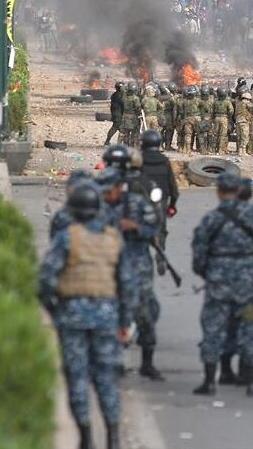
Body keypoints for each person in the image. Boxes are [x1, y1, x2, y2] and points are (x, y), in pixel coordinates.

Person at [38, 182, 136, 449]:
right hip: (107, 317)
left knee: (77, 376)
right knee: (106, 376)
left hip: (72, 318)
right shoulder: (113, 240)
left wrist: (53, 309)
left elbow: (46, 279)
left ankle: (86, 437)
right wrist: (125, 319)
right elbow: (127, 283)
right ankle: (114, 437)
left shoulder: (67, 238)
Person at [191, 173, 253, 397]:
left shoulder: (212, 219)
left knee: (213, 328)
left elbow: (198, 255)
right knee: (249, 327)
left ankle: (209, 381)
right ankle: (251, 382)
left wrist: (209, 271)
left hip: (218, 279)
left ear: (219, 192)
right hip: (247, 278)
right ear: (240, 191)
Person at [106, 152, 163, 381]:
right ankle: (114, 362)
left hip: (137, 260)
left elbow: (153, 227)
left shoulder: (139, 199)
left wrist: (136, 228)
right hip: (108, 261)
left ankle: (147, 363)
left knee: (145, 312)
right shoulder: (98, 201)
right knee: (111, 313)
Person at [140, 130, 179, 251]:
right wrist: (172, 205)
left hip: (142, 198)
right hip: (161, 199)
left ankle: (143, 251)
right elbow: (173, 187)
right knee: (161, 228)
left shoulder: (138, 161)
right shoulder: (164, 161)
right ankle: (160, 250)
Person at [104, 82, 125, 146]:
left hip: (115, 114)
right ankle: (107, 142)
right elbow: (123, 104)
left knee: (118, 128)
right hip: (118, 115)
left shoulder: (114, 95)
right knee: (116, 128)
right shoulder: (120, 96)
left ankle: (109, 142)